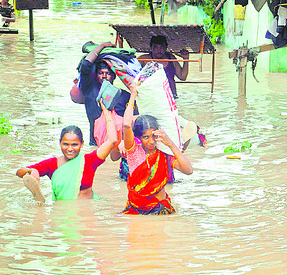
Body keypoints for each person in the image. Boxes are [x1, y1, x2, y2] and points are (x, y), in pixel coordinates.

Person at [16, 100, 118, 202]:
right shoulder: (51, 164)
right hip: (61, 213)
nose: (70, 149)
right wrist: (31, 171)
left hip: (86, 213)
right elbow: (19, 172)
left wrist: (106, 112)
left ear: (82, 144)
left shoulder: (90, 160)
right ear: (60, 143)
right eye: (65, 144)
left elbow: (112, 140)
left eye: (74, 145)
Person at [122, 82, 193, 215]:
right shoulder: (134, 152)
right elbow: (126, 125)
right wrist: (133, 96)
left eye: (154, 136)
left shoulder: (164, 153)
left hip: (160, 211)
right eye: (146, 137)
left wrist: (171, 144)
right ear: (139, 137)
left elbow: (188, 170)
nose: (151, 141)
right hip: (136, 210)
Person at [80, 42, 137, 145]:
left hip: (119, 145)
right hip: (96, 145)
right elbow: (85, 65)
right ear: (96, 75)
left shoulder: (125, 96)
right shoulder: (90, 91)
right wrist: (102, 46)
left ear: (114, 76)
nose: (104, 76)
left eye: (108, 73)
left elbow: (134, 120)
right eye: (101, 73)